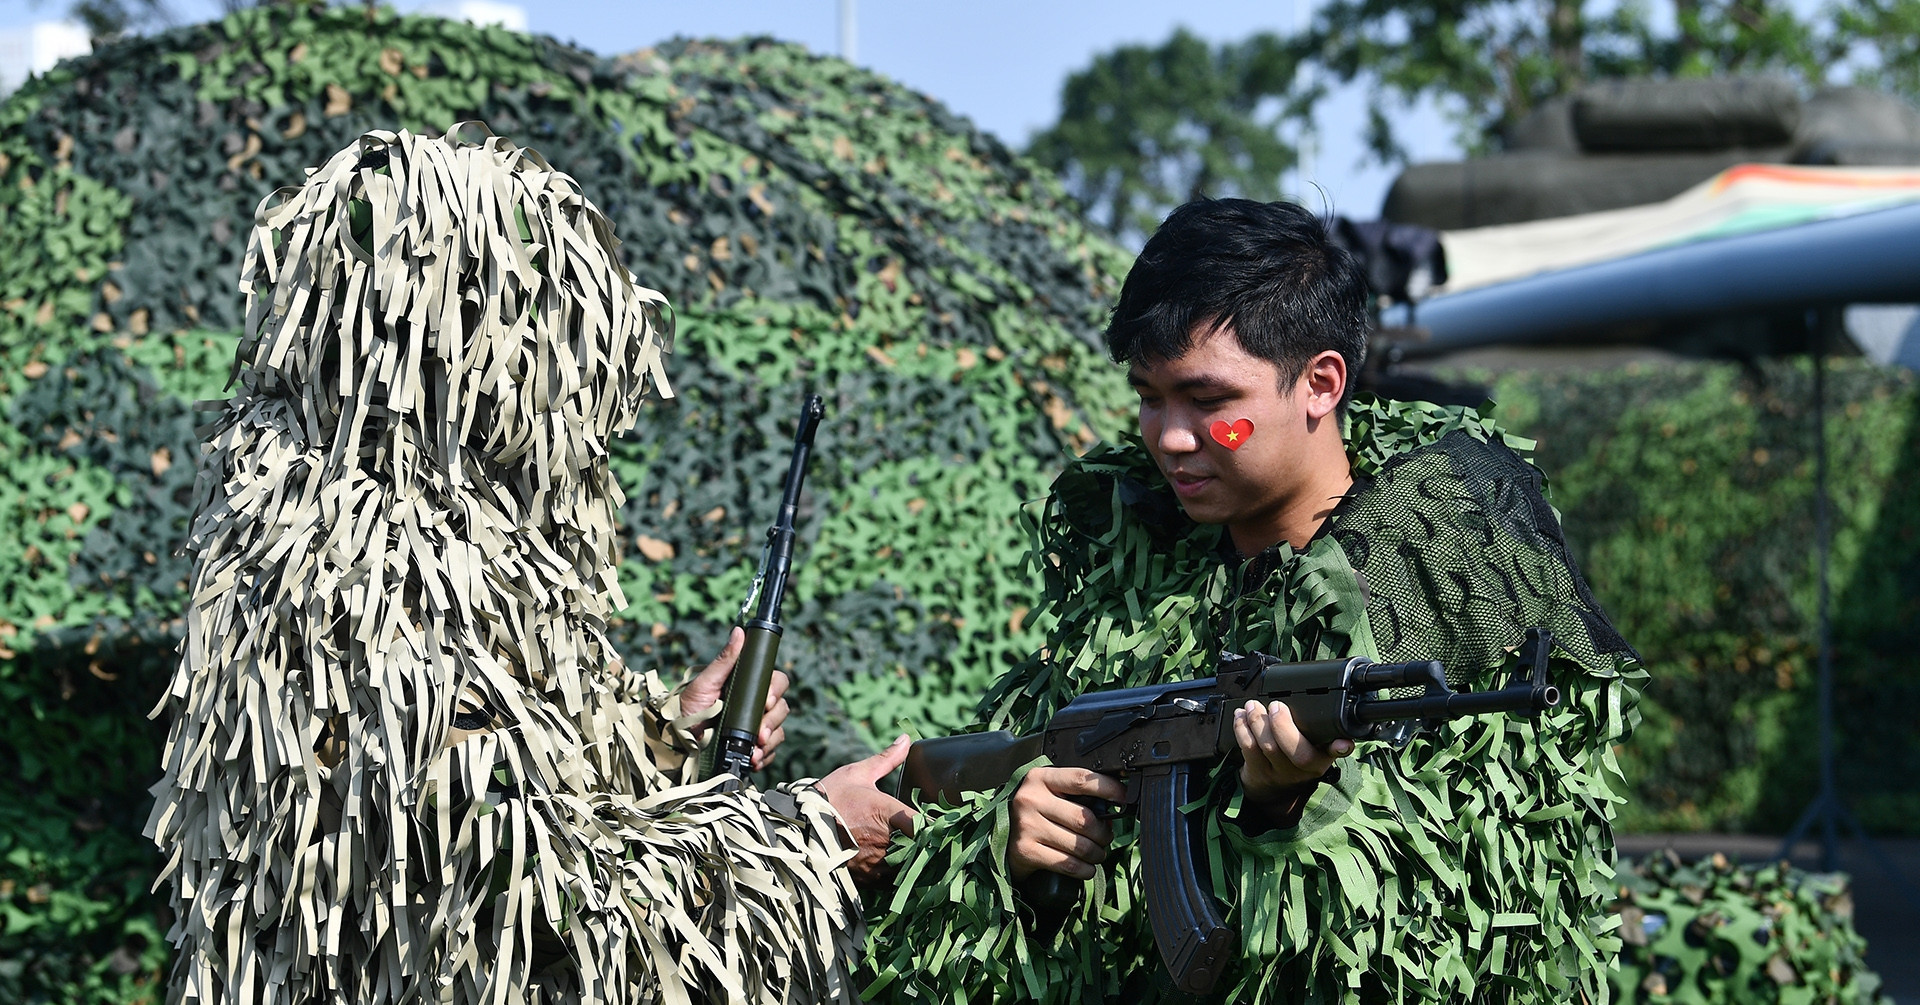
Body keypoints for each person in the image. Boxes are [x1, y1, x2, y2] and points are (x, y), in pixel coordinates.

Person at [147, 125, 912, 1005]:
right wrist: (810, 835)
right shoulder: (368, 572)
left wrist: (669, 731)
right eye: (555, 346)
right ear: (462, 338)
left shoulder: (341, 514)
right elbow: (542, 910)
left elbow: (512, 775)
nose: (581, 409)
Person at [866, 198, 1645, 1004]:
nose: (1169, 436)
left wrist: (1291, 808)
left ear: (1319, 383)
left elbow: (1486, 906)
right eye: (1149, 397)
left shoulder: (1437, 563)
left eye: (1209, 402)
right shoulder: (1135, 565)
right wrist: (1024, 853)